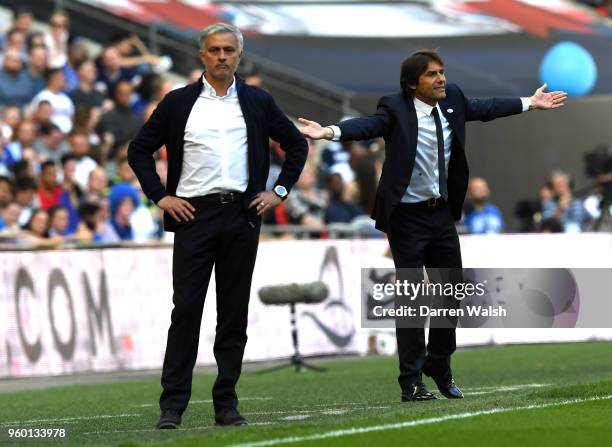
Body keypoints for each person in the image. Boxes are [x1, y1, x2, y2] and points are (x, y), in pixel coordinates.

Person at [299, 49, 566, 402]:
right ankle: (411, 380)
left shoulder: (452, 98)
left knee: (451, 294)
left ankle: (438, 363)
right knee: (412, 297)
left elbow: (485, 108)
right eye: (431, 75)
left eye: (441, 72)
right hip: (406, 217)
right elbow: (368, 125)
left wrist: (529, 103)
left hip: (440, 214)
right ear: (412, 84)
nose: (441, 79)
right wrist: (329, 132)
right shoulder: (395, 108)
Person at [127, 22, 307, 429]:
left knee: (233, 313)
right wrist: (161, 196)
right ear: (202, 55)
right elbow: (139, 149)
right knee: (186, 309)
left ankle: (225, 402)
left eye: (229, 50)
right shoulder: (178, 102)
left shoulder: (258, 101)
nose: (222, 56)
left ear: (239, 56)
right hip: (193, 215)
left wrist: (278, 191)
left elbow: (296, 144)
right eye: (214, 50)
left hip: (242, 215)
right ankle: (172, 406)